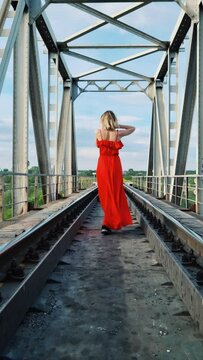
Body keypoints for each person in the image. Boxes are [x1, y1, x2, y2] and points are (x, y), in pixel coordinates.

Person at [96, 110, 135, 235]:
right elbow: (132, 128)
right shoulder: (118, 134)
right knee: (115, 192)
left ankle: (107, 223)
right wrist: (118, 126)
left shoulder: (98, 133)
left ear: (102, 120)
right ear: (113, 120)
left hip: (102, 164)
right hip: (115, 164)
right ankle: (109, 222)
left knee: (106, 194)